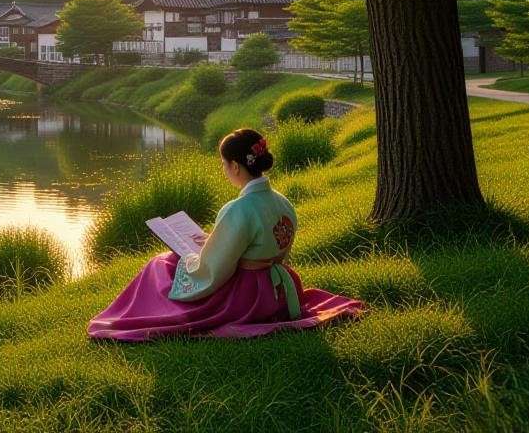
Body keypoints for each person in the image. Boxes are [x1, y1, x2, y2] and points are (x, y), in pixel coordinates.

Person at [88, 128, 363, 341]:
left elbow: (213, 271)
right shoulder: (282, 202)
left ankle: (136, 314)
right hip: (277, 287)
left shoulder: (238, 209)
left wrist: (195, 256)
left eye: (223, 164)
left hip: (247, 295)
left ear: (234, 166)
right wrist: (214, 243)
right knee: (177, 259)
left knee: (161, 264)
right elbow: (272, 248)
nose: (224, 170)